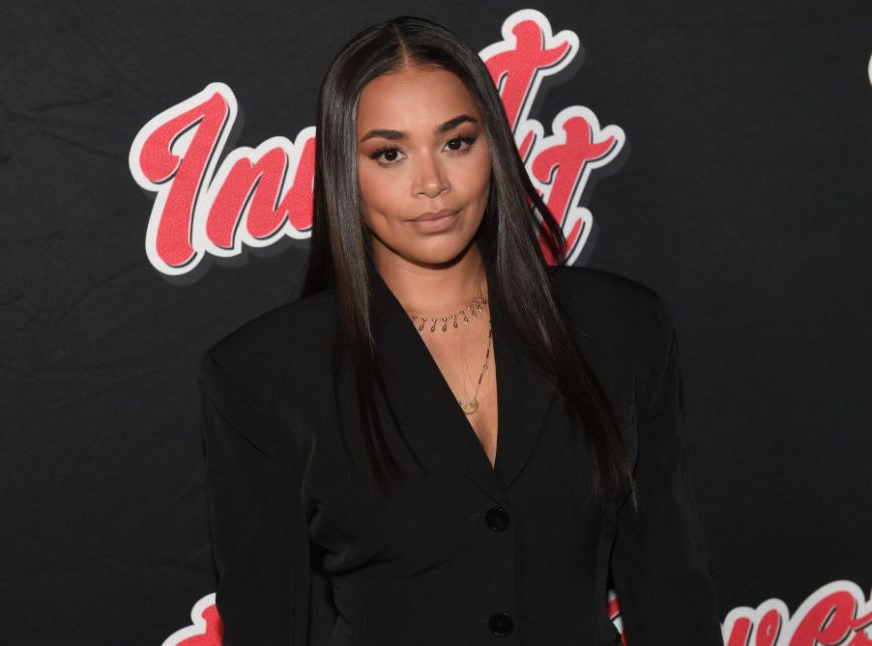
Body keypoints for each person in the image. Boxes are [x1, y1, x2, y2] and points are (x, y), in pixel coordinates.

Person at [198, 15, 724, 646]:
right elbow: (268, 626)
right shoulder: (266, 376)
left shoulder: (622, 328)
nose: (432, 185)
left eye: (456, 143)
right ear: (345, 172)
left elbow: (669, 585)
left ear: (492, 150)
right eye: (389, 154)